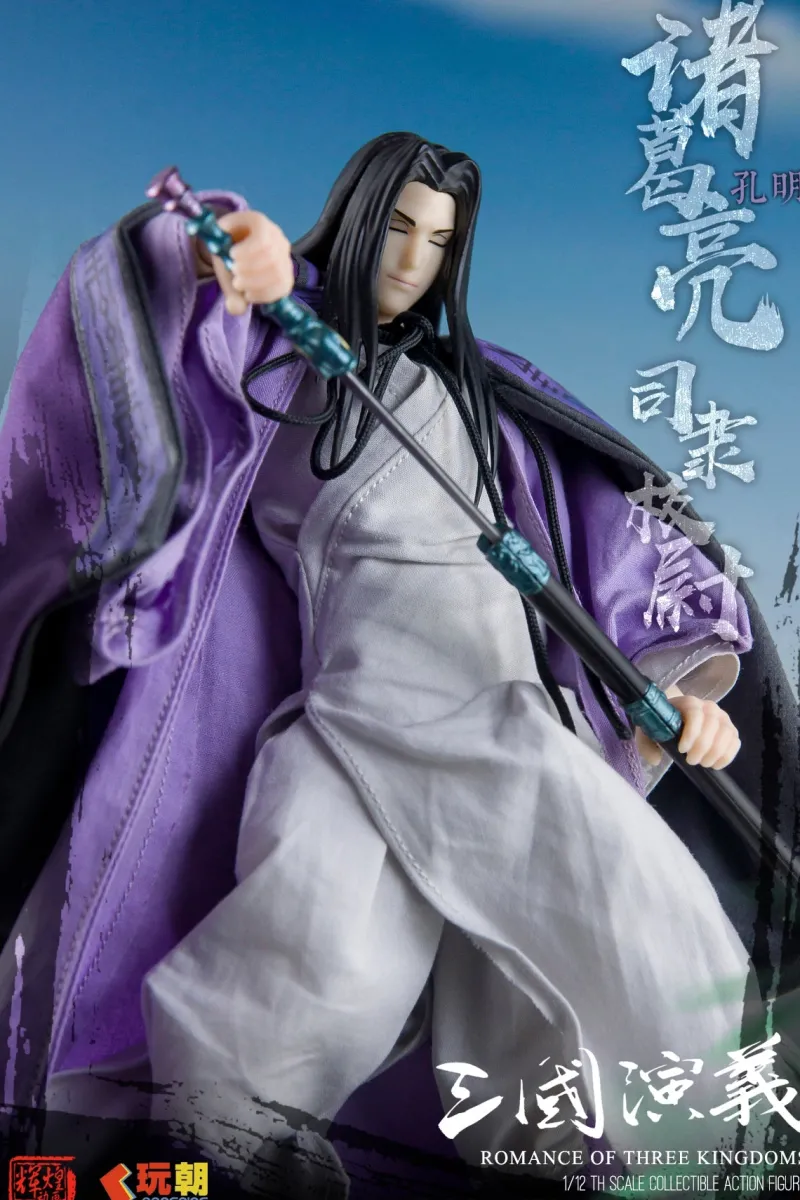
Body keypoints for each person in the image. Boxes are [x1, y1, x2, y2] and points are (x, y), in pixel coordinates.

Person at [0, 132, 794, 1194]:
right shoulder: (278, 349)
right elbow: (163, 324)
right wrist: (221, 246)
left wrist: (672, 687)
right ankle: (212, 1169)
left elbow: (590, 544)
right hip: (358, 707)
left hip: (499, 707)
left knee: (644, 927)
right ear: (359, 217)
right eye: (398, 228)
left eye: (439, 242)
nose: (412, 260)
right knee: (298, 968)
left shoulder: (471, 396)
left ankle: (684, 1168)